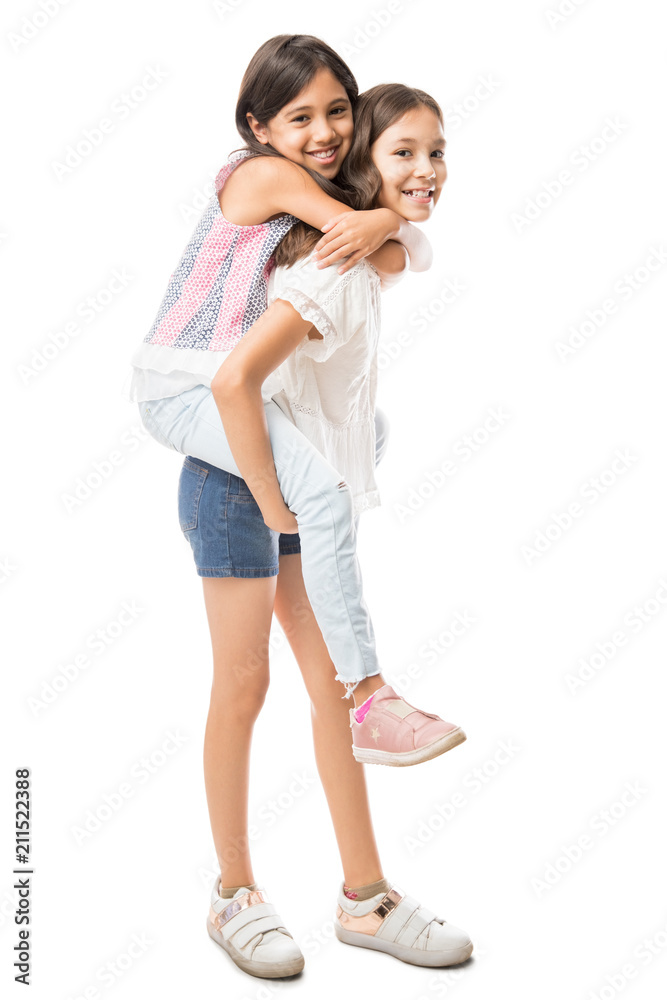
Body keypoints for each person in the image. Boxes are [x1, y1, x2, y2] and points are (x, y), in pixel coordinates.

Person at [175, 82, 474, 978]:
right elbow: (234, 382)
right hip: (238, 481)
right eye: (402, 153)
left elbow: (401, 244)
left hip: (301, 478)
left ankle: (364, 897)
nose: (424, 169)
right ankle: (234, 893)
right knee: (244, 686)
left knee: (331, 695)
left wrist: (389, 223)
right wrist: (272, 498)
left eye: (435, 150)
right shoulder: (326, 265)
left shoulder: (359, 248)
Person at [124, 35, 464, 766]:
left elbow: (388, 252)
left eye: (338, 111)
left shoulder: (315, 198)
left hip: (236, 381)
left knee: (362, 429)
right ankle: (371, 698)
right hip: (183, 384)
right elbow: (366, 241)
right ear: (258, 128)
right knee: (324, 497)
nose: (324, 133)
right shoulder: (259, 175)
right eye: (299, 117)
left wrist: (389, 229)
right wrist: (383, 222)